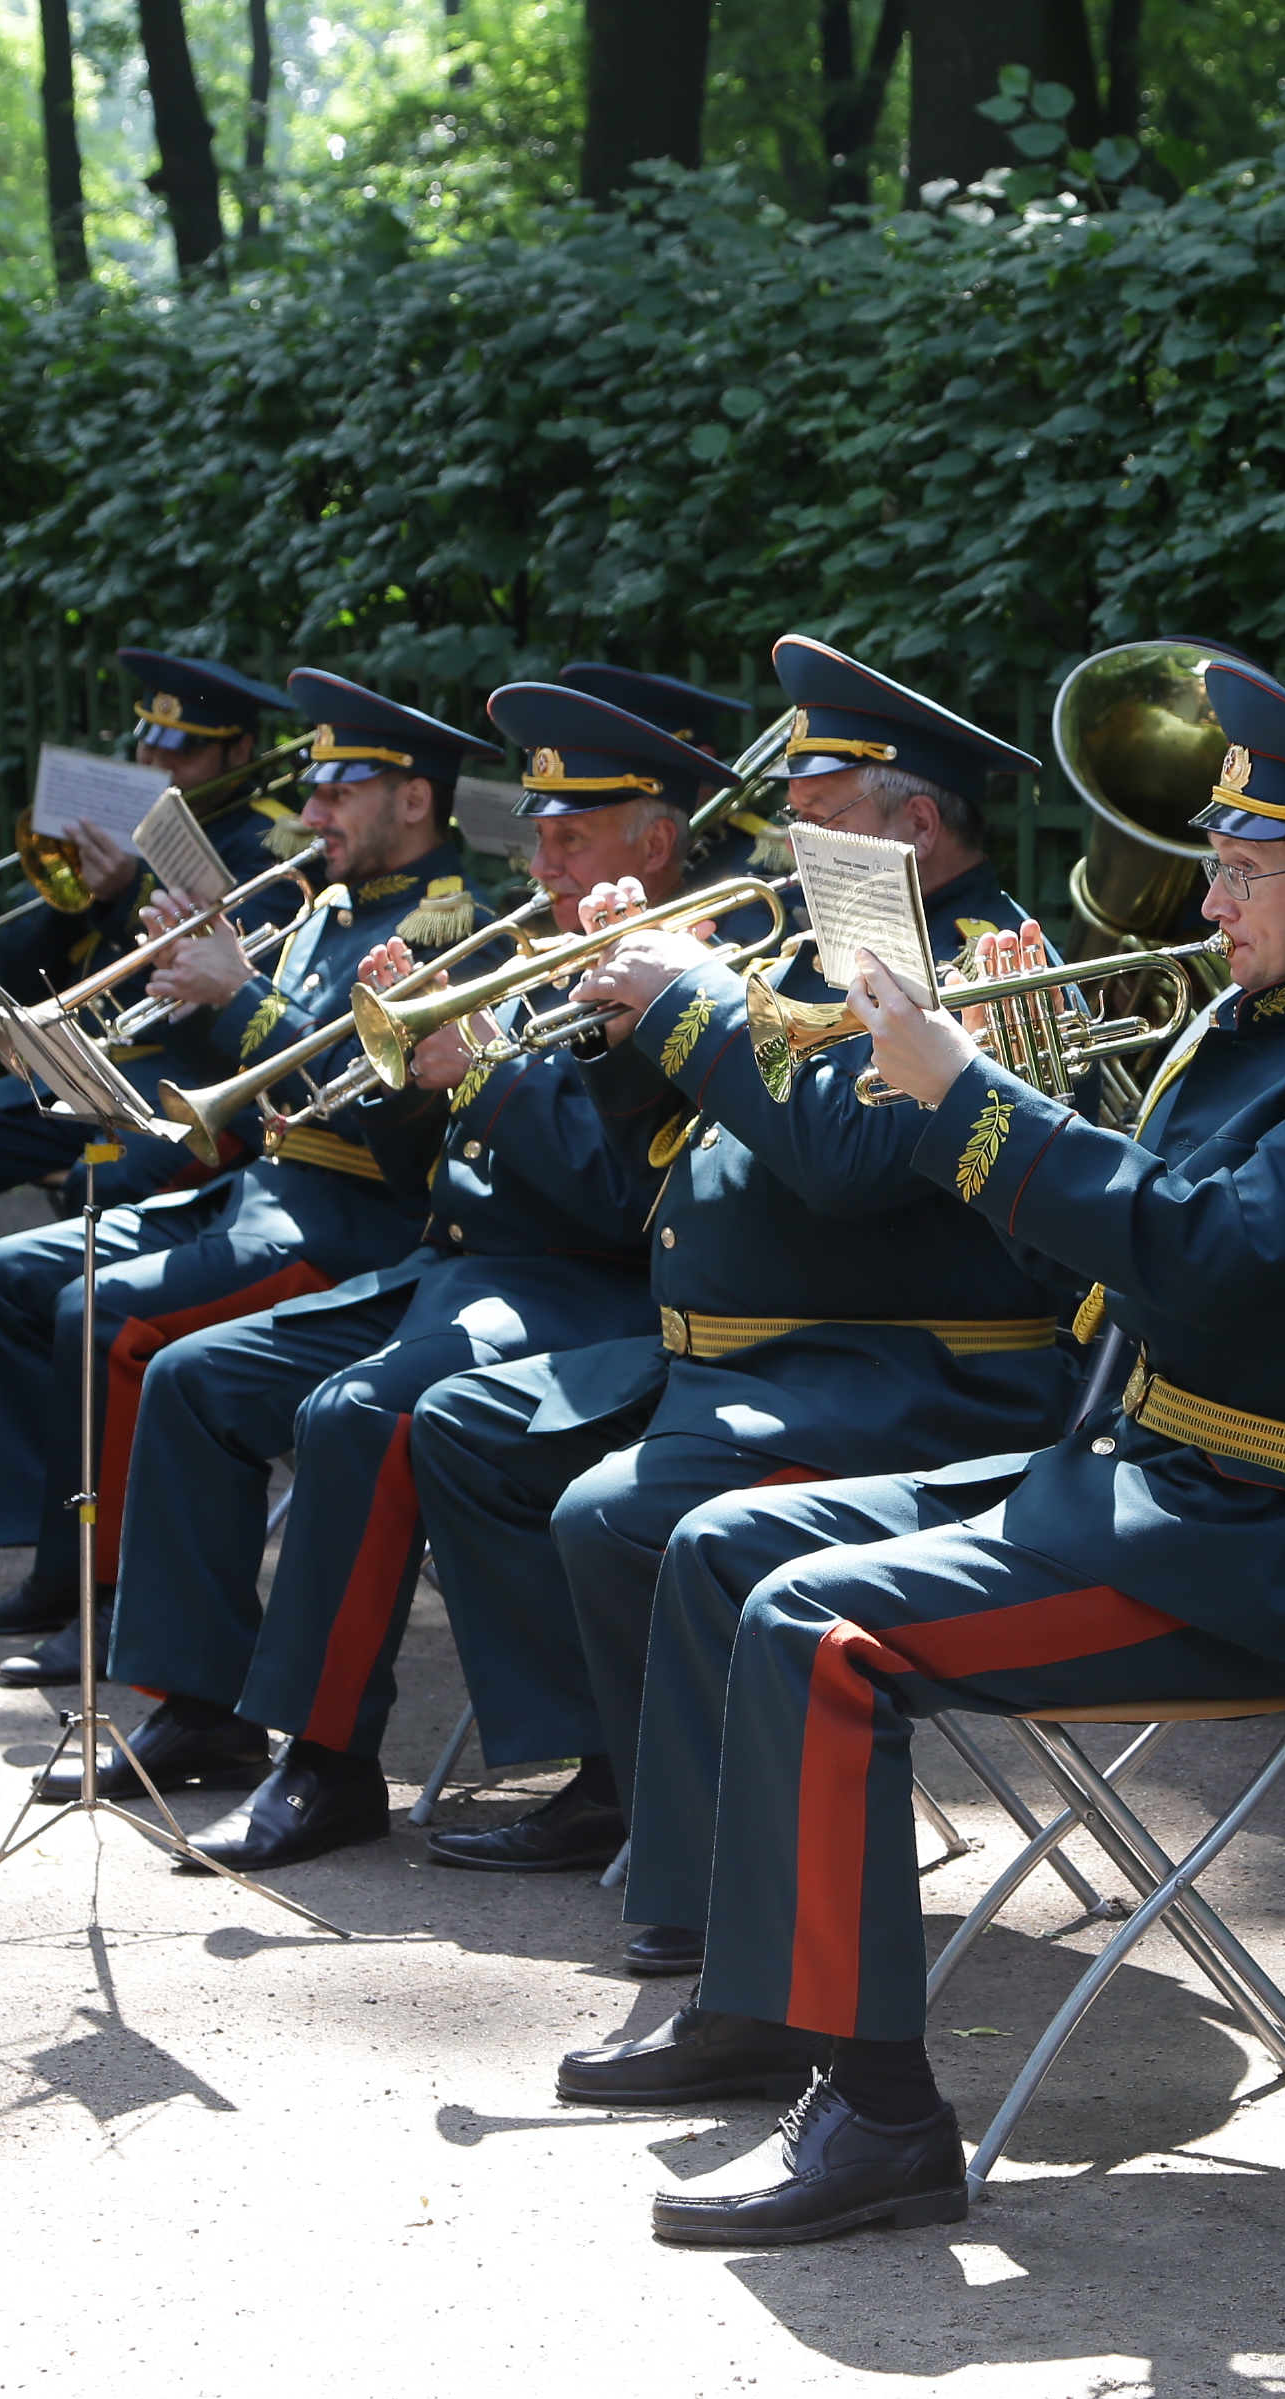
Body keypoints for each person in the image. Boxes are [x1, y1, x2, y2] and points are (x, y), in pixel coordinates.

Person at [553, 661, 1285, 2245]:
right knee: (723, 1548)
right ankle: (749, 1997)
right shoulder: (1258, 1024)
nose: (1210, 903)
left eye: (1245, 875)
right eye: (1217, 866)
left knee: (818, 1630)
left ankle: (884, 2118)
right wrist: (973, 1101)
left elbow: (1193, 1254)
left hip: (1242, 1545)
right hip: (1127, 1482)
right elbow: (1129, 1235)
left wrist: (969, 1102)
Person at [404, 636, 1073, 1930]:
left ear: (917, 823)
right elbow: (656, 1148)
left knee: (610, 1515)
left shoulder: (990, 961)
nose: (788, 846)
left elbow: (846, 1162)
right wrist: (622, 1022)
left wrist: (690, 1008)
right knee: (470, 1427)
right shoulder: (830, 944)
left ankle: (718, 1890)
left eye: (819, 820)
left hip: (912, 1378)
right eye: (794, 818)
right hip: (750, 1364)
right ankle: (610, 1767)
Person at [86, 683, 731, 1868]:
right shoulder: (538, 944)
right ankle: (199, 1700)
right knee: (193, 1375)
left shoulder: (689, 971)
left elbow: (621, 1201)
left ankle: (326, 1764)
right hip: (451, 1267)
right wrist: (399, 1070)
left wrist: (479, 1069)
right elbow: (420, 1160)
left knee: (358, 1414)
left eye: (568, 837)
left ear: (655, 839)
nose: (538, 860)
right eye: (535, 831)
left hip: (585, 1290)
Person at [0, 672, 496, 1681]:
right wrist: (193, 988)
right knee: (6, 1278)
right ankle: (64, 1561)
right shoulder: (323, 906)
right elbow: (258, 1071)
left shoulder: (453, 927)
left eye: (337, 793)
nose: (310, 811)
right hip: (257, 1195)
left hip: (357, 1224)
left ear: (414, 800)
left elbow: (379, 1111)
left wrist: (237, 993)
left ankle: (114, 1608)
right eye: (313, 789)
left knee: (97, 1313)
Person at [0, 651, 317, 1469]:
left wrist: (131, 893)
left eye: (182, 752)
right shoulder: (118, 827)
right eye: (149, 746)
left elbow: (227, 994)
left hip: (181, 1087)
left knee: (109, 1188)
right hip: (89, 1066)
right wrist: (89, 899)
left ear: (237, 752)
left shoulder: (276, 839)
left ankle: (93, 1405)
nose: (157, 767)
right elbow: (22, 976)